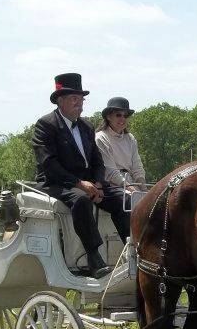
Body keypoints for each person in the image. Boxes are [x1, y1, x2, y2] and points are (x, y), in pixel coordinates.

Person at [31, 73, 129, 278]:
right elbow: (49, 165)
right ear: (60, 100)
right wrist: (79, 184)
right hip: (56, 182)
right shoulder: (46, 125)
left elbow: (97, 161)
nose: (80, 103)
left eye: (81, 99)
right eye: (74, 99)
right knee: (81, 200)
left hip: (89, 183)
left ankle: (133, 250)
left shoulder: (86, 126)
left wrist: (99, 184)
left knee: (123, 199)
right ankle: (94, 257)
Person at [95, 97, 147, 191]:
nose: (122, 119)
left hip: (131, 183)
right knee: (132, 202)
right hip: (112, 186)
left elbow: (137, 167)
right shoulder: (100, 138)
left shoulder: (130, 138)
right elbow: (110, 172)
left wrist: (144, 189)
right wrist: (132, 190)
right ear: (108, 117)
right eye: (118, 115)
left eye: (125, 116)